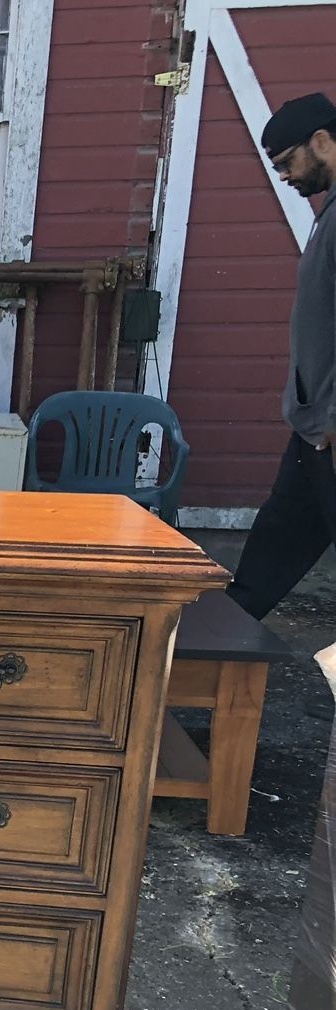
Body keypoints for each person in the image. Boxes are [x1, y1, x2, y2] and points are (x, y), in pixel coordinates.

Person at [227, 92, 336, 619]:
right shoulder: (330, 211)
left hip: (331, 424)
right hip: (314, 427)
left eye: (288, 162)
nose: (286, 178)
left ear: (322, 141)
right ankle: (211, 649)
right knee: (278, 539)